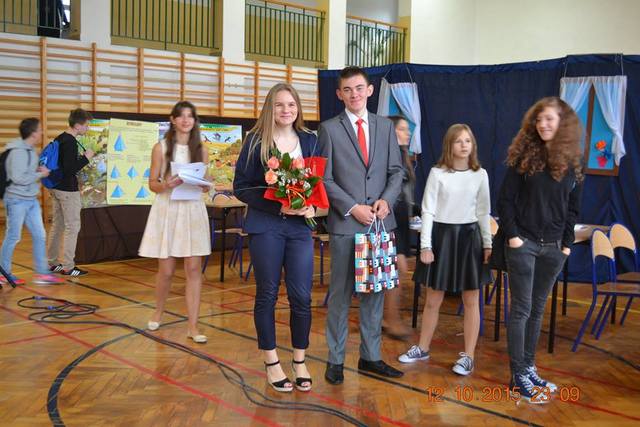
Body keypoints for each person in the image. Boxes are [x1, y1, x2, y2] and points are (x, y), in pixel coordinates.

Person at [319, 66, 404, 385]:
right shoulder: (328, 129)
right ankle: (335, 359)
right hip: (346, 223)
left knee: (374, 294)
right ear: (339, 94)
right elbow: (324, 179)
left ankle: (371, 357)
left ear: (369, 91)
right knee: (340, 296)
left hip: (379, 224)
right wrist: (352, 207)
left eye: (359, 88)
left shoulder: (385, 127)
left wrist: (387, 200)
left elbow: (396, 171)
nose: (354, 94)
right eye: (347, 90)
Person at [498, 97, 582, 403]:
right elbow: (505, 201)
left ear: (562, 123)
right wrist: (514, 237)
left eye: (549, 119)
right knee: (521, 309)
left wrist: (567, 245)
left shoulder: (573, 162)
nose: (543, 124)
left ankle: (529, 367)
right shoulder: (523, 157)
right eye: (539, 119)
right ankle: (517, 375)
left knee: (537, 308)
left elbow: (572, 208)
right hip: (524, 244)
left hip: (554, 248)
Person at [233, 83, 317, 393]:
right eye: (280, 104)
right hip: (266, 225)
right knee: (267, 294)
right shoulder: (256, 140)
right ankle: (271, 362)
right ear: (270, 108)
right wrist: (277, 205)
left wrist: (313, 206)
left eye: (291, 105)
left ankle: (299, 360)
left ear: (298, 108)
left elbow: (319, 182)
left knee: (302, 296)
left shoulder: (310, 140)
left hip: (299, 228)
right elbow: (241, 187)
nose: (286, 110)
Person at [398, 124, 491, 376]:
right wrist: (426, 245)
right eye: (459, 141)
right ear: (450, 145)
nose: (464, 145)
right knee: (433, 299)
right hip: (442, 239)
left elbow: (483, 211)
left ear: (473, 145)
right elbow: (428, 210)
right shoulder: (437, 173)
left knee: (471, 300)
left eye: (468, 140)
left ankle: (468, 356)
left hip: (470, 239)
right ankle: (422, 347)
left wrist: (487, 244)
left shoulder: (480, 174)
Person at [139, 101, 211, 344]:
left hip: (192, 210)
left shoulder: (201, 150)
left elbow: (205, 182)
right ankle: (158, 312)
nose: (186, 120)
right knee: (167, 270)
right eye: (181, 116)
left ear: (195, 121)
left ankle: (193, 326)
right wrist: (166, 184)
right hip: (168, 209)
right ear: (172, 119)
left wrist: (204, 185)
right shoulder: (160, 148)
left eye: (190, 116)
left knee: (194, 269)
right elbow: (152, 184)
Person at [0, 118, 64, 285]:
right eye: (40, 129)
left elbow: (24, 172)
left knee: (39, 235)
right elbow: (18, 178)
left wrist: (37, 169)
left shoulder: (30, 150)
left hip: (31, 200)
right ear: (33, 133)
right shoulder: (18, 152)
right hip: (16, 200)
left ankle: (42, 274)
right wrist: (41, 174)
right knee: (13, 236)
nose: (42, 132)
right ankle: (3, 272)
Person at [47, 108, 95, 276]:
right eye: (86, 125)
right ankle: (68, 266)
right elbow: (69, 170)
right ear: (77, 125)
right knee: (72, 227)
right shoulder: (70, 142)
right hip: (67, 190)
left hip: (56, 188)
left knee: (58, 225)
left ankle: (52, 262)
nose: (87, 128)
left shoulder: (60, 138)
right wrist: (86, 158)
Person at [382, 115, 414, 339]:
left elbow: (405, 197)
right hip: (389, 224)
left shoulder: (404, 157)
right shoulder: (385, 159)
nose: (407, 132)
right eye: (402, 129)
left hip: (402, 224)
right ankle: (390, 320)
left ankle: (387, 318)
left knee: (396, 273)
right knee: (394, 273)